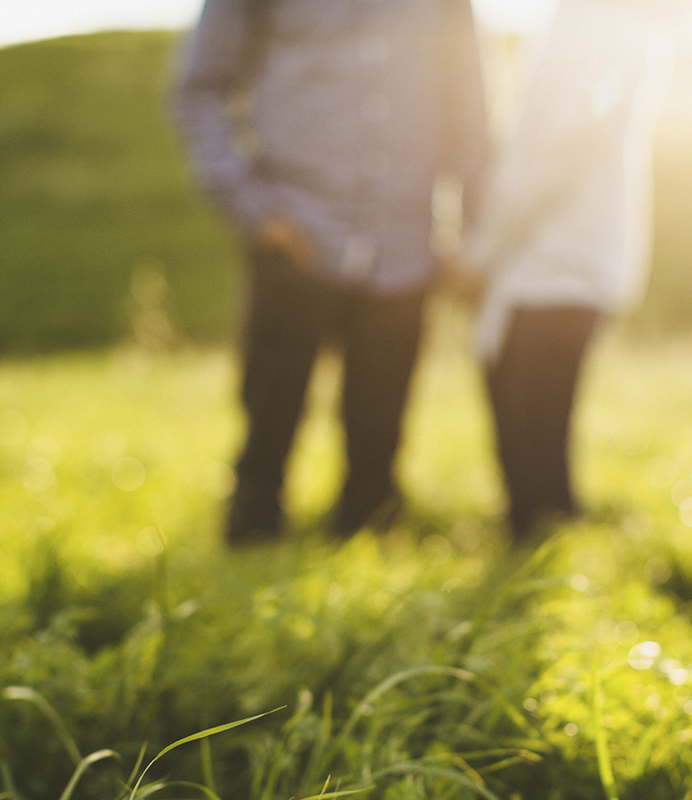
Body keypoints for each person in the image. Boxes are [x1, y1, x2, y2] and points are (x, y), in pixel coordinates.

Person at [173, 0, 489, 544]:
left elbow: (471, 110)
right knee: (267, 429)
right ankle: (250, 552)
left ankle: (367, 556)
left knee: (380, 440)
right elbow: (200, 88)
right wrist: (252, 206)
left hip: (406, 244)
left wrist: (471, 227)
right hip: (297, 233)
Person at [456, 0, 680, 540]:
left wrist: (482, 250)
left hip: (563, 266)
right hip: (539, 264)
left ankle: (548, 565)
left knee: (534, 442)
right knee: (520, 423)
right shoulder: (580, 22)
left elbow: (561, 152)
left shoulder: (610, 27)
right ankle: (533, 552)